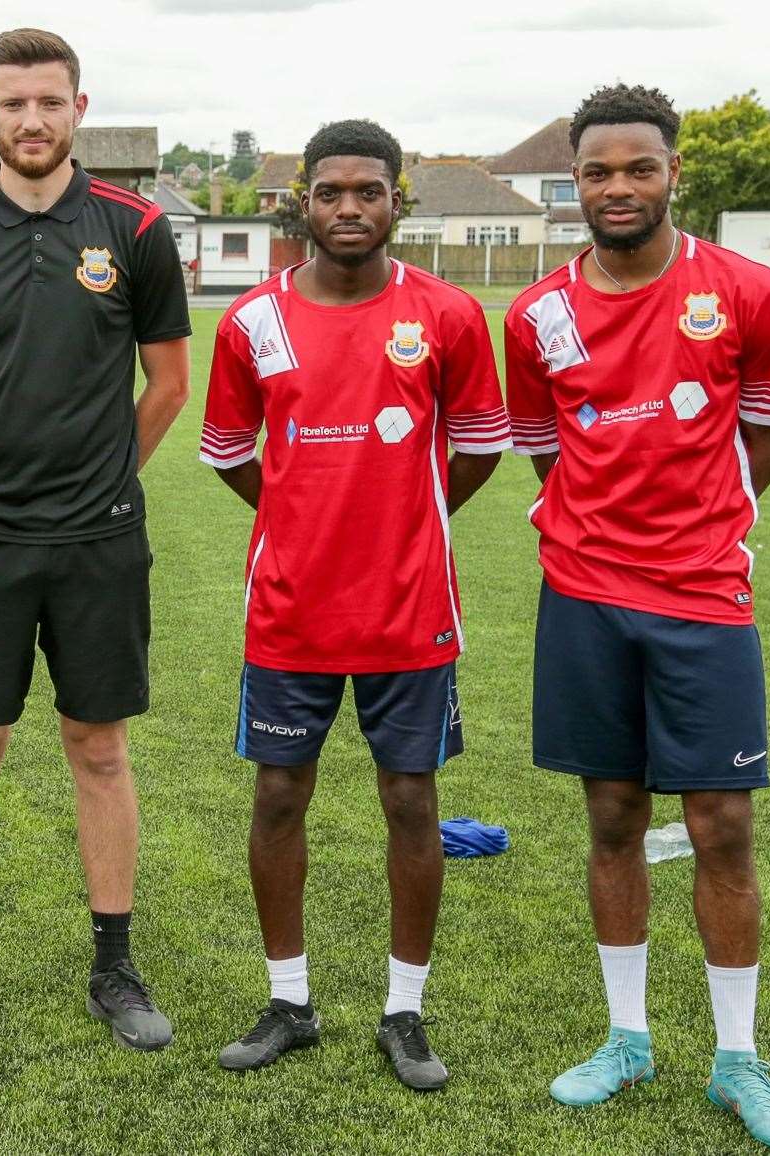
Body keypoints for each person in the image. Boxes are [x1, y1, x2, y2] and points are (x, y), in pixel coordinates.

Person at [505, 85, 770, 1150]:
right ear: (574, 184)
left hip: (702, 593)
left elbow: (765, 435)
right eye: (596, 171)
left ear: (673, 172)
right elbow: (544, 445)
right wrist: (600, 526)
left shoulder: (744, 290)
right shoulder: (534, 313)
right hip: (584, 594)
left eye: (638, 167)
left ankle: (737, 1059)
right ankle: (625, 1037)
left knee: (723, 824)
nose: (617, 187)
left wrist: (699, 522)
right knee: (611, 817)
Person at [0, 28, 190, 1051]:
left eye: (47, 102)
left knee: (98, 749)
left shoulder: (135, 230)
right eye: (11, 103)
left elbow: (167, 383)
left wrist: (103, 478)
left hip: (98, 539)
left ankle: (114, 966)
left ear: (76, 108)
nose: (30, 120)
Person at [202, 120, 508, 1091]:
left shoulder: (448, 315)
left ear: (394, 200)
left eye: (365, 191)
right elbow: (226, 454)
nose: (346, 208)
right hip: (289, 612)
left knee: (410, 800)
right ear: (301, 199)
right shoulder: (250, 321)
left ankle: (402, 1012)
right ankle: (287, 1001)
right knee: (278, 794)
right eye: (328, 191)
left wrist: (402, 520)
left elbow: (478, 446)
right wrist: (299, 517)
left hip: (408, 609)